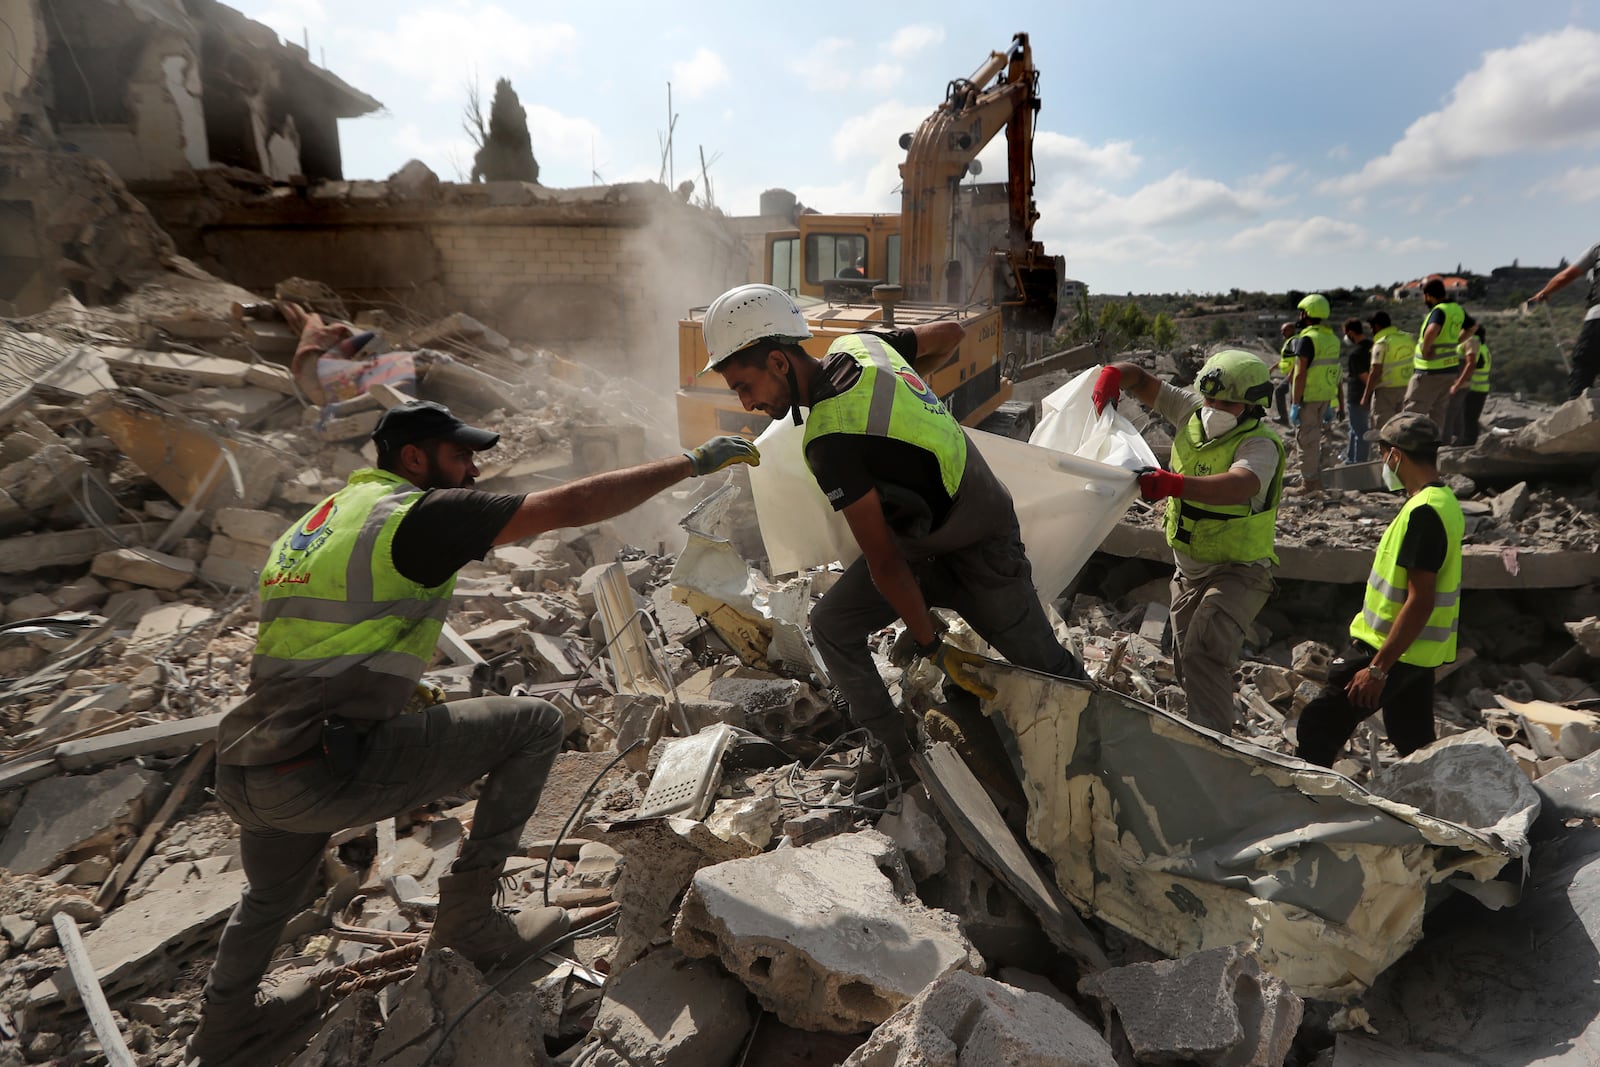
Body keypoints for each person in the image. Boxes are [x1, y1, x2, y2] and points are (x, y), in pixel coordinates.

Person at [189, 401, 759, 1065]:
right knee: (536, 725)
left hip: (251, 765)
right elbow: (569, 504)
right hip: (324, 766)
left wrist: (385, 697)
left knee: (267, 896)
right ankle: (470, 922)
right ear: (414, 459)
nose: (474, 469)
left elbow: (314, 646)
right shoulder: (415, 515)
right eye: (460, 456)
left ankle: (222, 1025)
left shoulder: (314, 526)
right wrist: (691, 461)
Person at [702, 282, 1084, 765]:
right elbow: (950, 333)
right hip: (926, 538)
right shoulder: (862, 345)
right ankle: (898, 755)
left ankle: (1098, 744)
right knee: (831, 624)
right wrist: (914, 384)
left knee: (1049, 668)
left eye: (744, 387)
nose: (745, 403)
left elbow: (883, 561)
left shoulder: (829, 440)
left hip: (980, 545)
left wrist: (931, 644)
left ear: (778, 363)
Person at [1093, 351, 1285, 735]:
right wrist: (1114, 374)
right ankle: (1205, 728)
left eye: (1226, 403)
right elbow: (1142, 381)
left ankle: (1215, 748)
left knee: (1205, 653)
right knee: (1185, 660)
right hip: (1189, 570)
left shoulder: (1259, 445)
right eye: (1209, 399)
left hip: (1238, 571)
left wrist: (1173, 484)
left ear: (1253, 405)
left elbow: (1239, 485)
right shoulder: (1190, 410)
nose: (1213, 409)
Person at [1295, 414, 1462, 767]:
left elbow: (1421, 600)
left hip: (1387, 650)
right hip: (1417, 654)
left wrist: (1376, 670)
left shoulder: (1425, 513)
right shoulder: (1442, 502)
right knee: (1413, 740)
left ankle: (1308, 806)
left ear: (1396, 456)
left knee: (1318, 725)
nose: (1382, 461)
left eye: (1382, 452)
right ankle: (1436, 807)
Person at [1527, 240, 1600, 398]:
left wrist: (1544, 293)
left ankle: (1577, 413)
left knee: (1584, 365)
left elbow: (1565, 276)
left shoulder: (1597, 249)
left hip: (1598, 318)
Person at [1403, 278, 1475, 428]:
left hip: (1430, 370)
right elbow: (1472, 327)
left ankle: (1408, 448)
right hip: (1449, 370)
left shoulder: (1439, 310)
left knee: (1413, 412)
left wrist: (1425, 350)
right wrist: (1456, 342)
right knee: (1438, 413)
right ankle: (1431, 448)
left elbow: (1432, 330)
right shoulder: (1457, 309)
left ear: (1429, 295)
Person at [1288, 293, 1340, 493]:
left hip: (1308, 398)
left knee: (1307, 440)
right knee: (1316, 439)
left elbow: (1300, 374)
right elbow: (1335, 371)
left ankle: (1309, 484)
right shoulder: (1332, 339)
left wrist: (1294, 402)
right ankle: (1317, 480)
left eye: (1302, 312)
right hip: (1325, 396)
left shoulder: (1307, 340)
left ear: (1306, 314)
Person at [1361, 310, 1415, 436]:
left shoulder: (1381, 343)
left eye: (1371, 327)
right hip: (1407, 387)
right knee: (1403, 426)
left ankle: (1388, 454)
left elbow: (1375, 371)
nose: (1371, 331)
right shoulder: (1407, 338)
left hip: (1386, 390)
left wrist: (1366, 396)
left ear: (1377, 326)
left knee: (1385, 429)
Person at [1449, 324, 1492, 446]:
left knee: (1466, 420)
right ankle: (1470, 444)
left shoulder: (1474, 346)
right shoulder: (1484, 347)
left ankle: (1466, 445)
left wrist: (1458, 384)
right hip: (1481, 388)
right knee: (1471, 420)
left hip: (1472, 388)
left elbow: (1471, 366)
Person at [1342, 318, 1373, 464]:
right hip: (1369, 396)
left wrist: (1367, 394)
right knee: (1354, 430)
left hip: (1357, 397)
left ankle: (1359, 464)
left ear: (1351, 333)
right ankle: (1350, 460)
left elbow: (1365, 377)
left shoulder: (1356, 354)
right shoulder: (1373, 347)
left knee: (1360, 432)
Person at [1273, 321, 1296, 425]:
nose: (1282, 333)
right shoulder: (1289, 342)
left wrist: (1292, 374)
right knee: (1280, 391)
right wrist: (1273, 367)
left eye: (1285, 330)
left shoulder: (1294, 342)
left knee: (1294, 400)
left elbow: (1298, 359)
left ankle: (1294, 424)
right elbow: (1286, 360)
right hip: (1291, 374)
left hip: (1295, 374)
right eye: (1282, 330)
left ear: (1292, 330)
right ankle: (1285, 419)